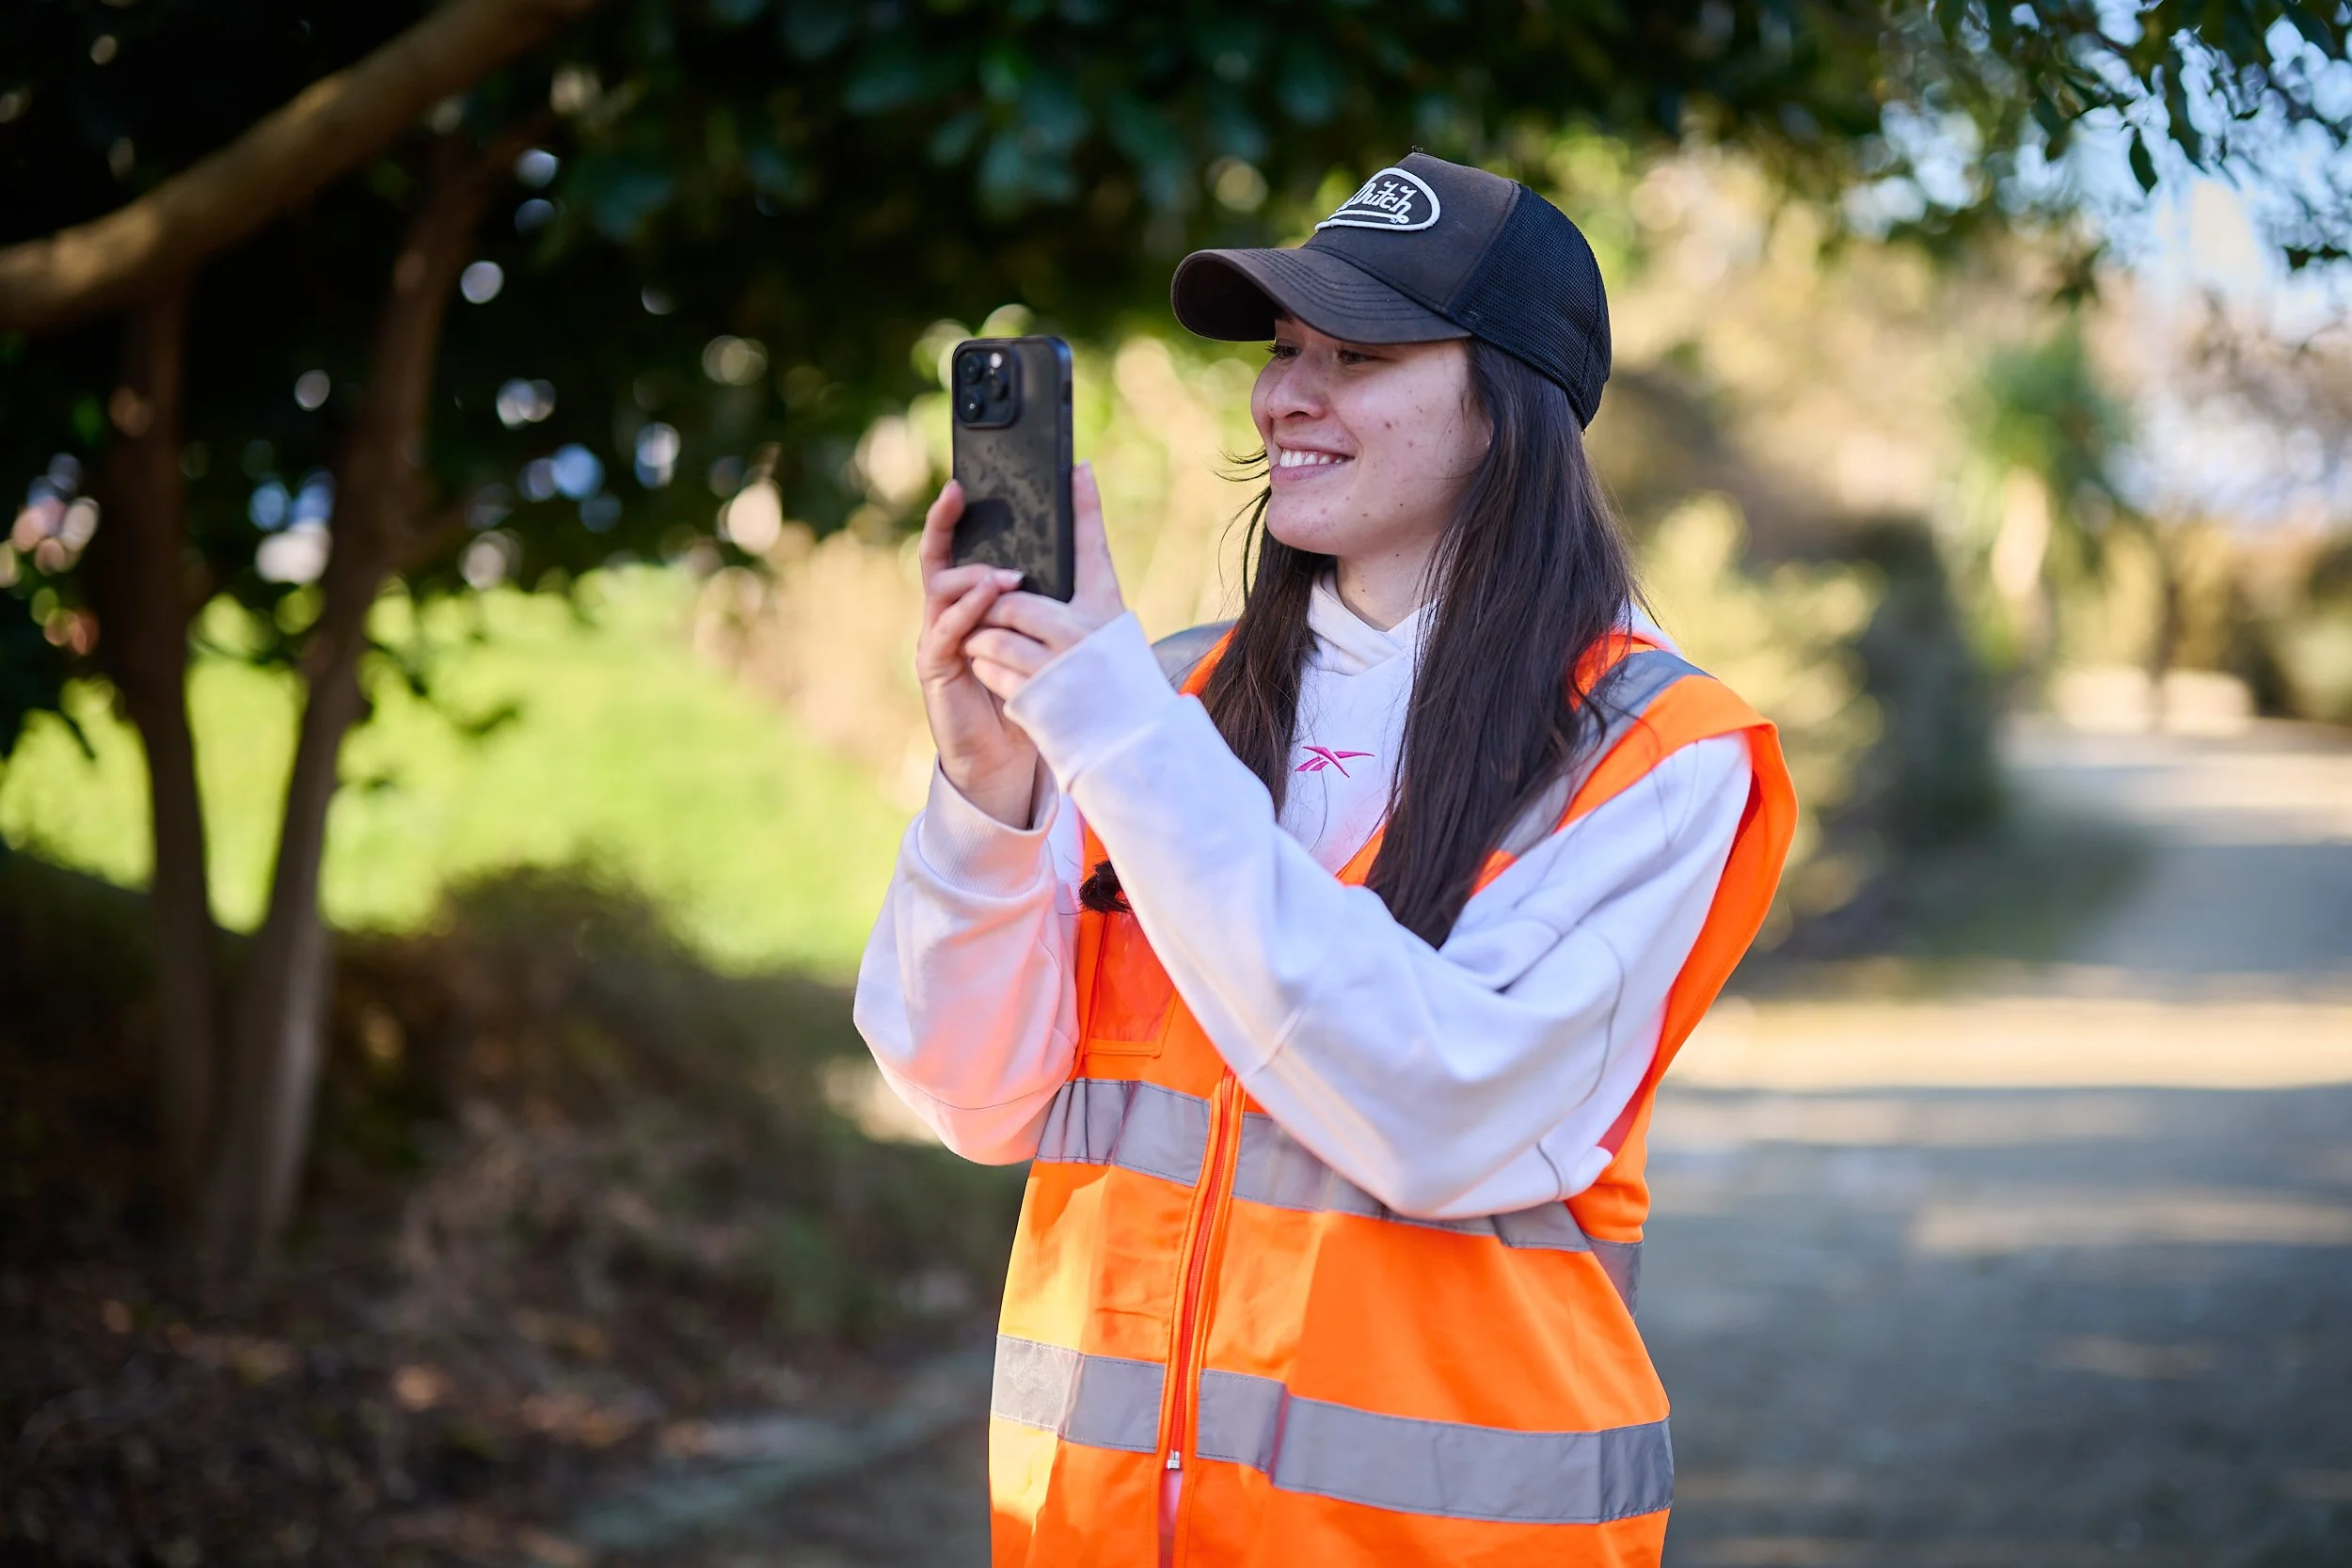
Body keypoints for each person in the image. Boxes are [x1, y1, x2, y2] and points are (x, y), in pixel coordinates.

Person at [855, 152, 1797, 1568]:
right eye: (1288, 349)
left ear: (1507, 409)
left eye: (1358, 356)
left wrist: (1108, 726)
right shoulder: (1162, 703)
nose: (1285, 395)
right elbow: (971, 1094)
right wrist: (989, 796)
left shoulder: (1661, 752)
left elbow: (1439, 1112)